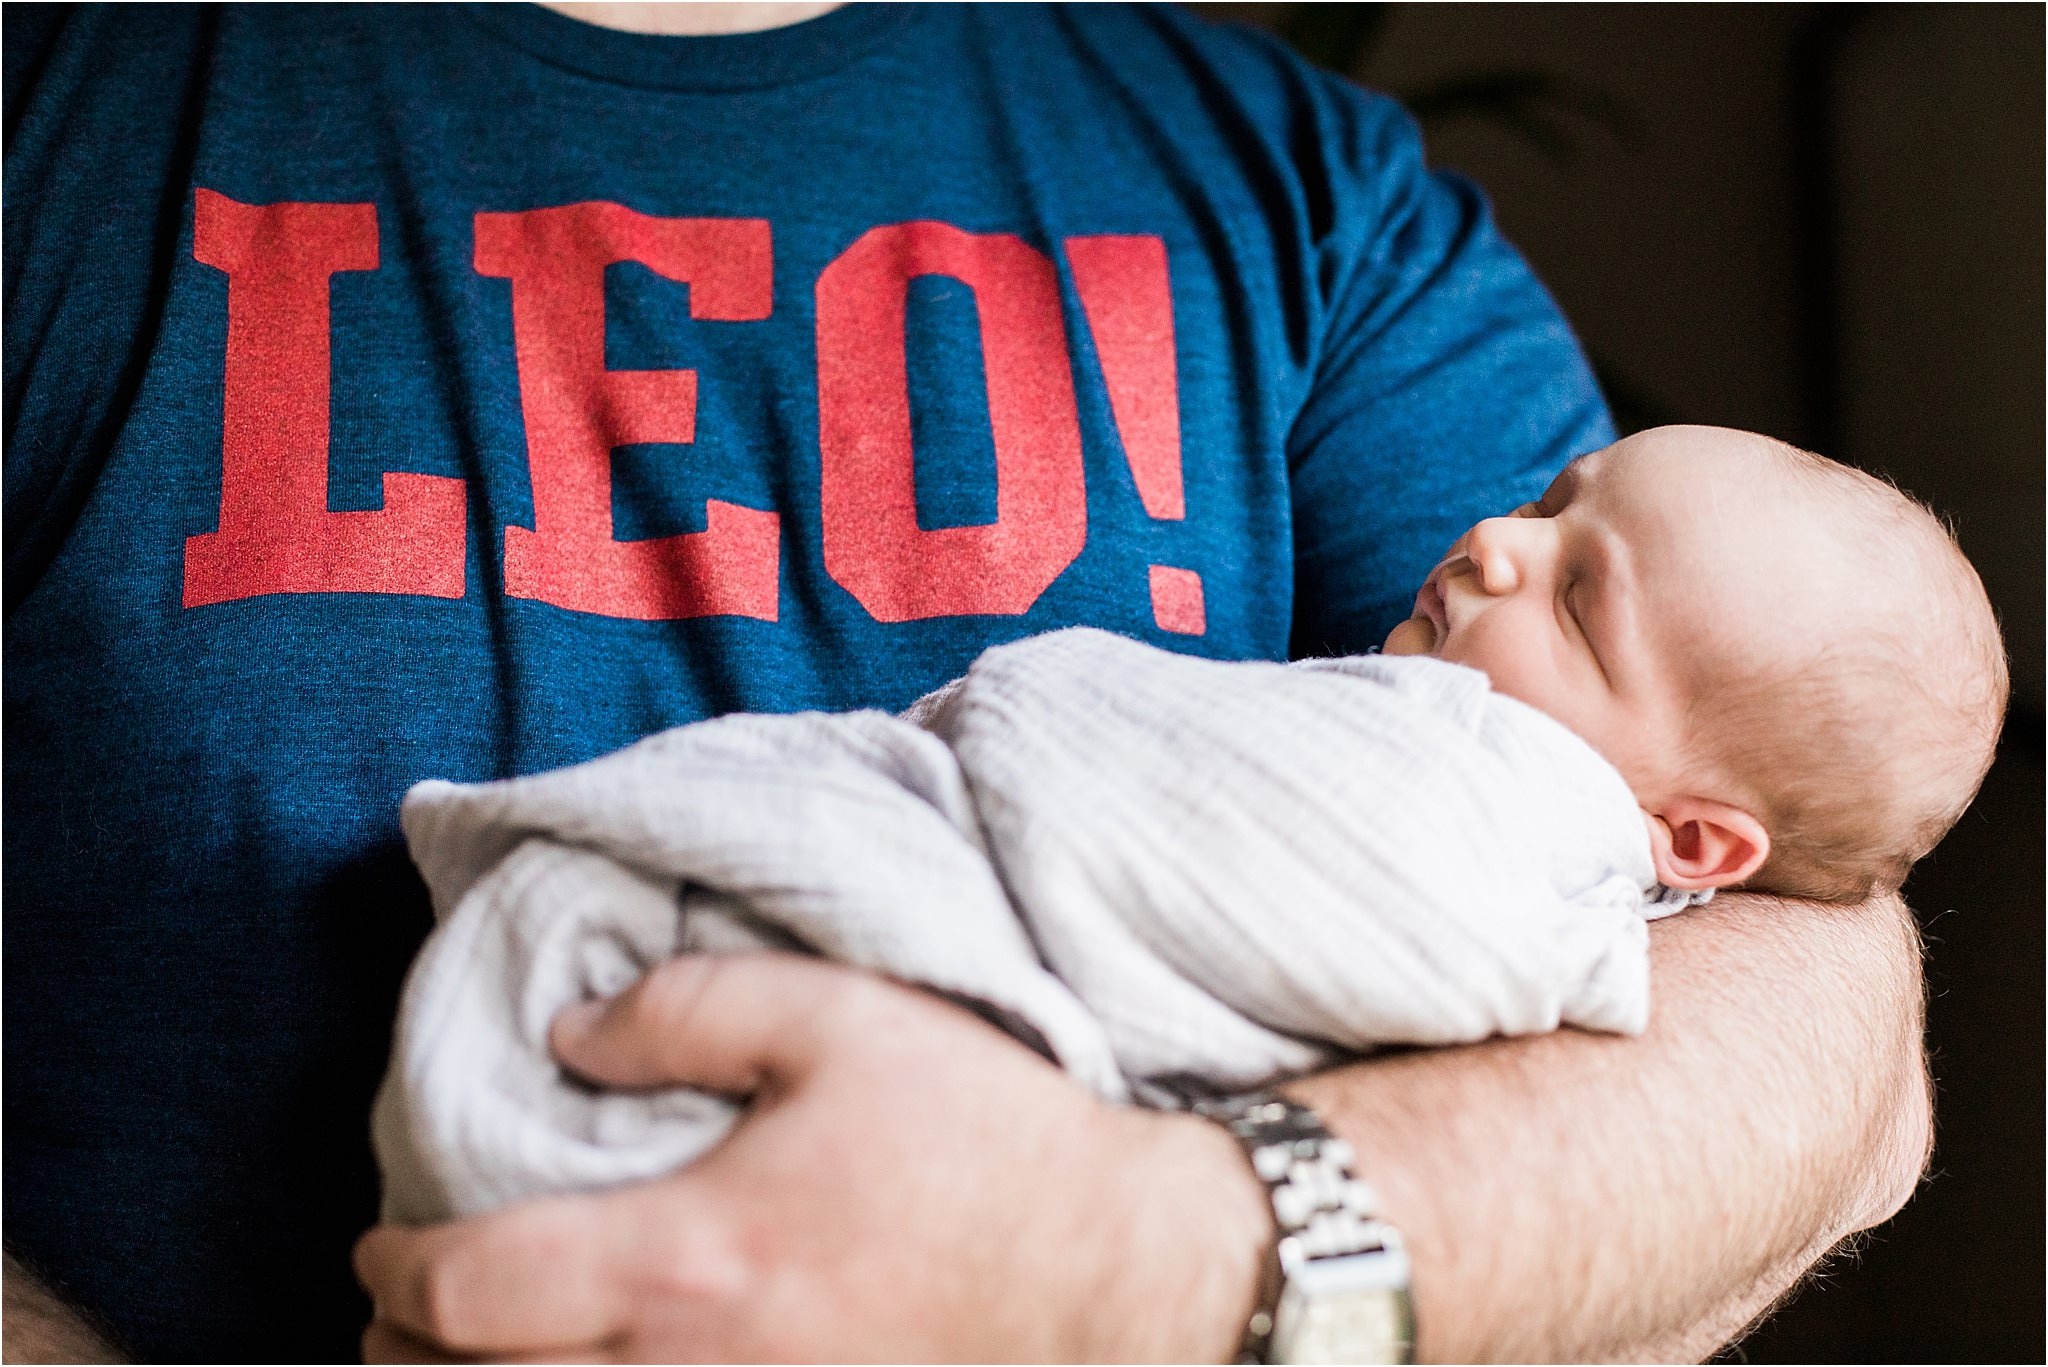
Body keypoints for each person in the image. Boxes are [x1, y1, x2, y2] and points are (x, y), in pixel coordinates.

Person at [2, 4, 1933, 1362]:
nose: (1514, 549)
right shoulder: (57, 105)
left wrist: (1142, 1255)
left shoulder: (1302, 196)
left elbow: (1811, 1021)